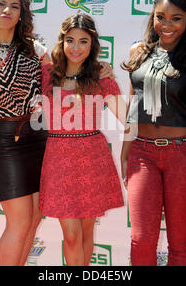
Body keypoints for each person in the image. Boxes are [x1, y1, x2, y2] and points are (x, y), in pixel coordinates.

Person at [0, 0, 114, 266]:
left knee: (33, 220)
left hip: (43, 137)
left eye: (14, 6)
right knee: (19, 222)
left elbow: (66, 72)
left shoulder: (34, 47)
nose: (7, 10)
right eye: (1, 4)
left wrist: (98, 69)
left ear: (22, 13)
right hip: (8, 140)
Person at [120, 0, 186, 266]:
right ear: (153, 16)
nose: (166, 25)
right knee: (141, 239)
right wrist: (125, 151)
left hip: (183, 155)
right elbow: (134, 108)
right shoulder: (138, 52)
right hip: (141, 154)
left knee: (180, 241)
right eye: (161, 17)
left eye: (176, 18)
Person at [38, 14, 125, 266]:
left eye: (83, 42)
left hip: (92, 158)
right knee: (72, 236)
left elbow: (127, 119)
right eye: (70, 40)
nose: (76, 48)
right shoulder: (46, 73)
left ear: (92, 44)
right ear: (62, 41)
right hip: (58, 160)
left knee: (87, 232)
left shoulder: (101, 77)